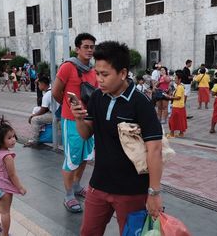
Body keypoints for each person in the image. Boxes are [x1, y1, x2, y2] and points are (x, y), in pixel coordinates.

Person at [70, 41, 164, 235]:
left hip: (132, 190)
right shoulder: (97, 97)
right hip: (99, 184)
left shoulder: (140, 103)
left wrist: (154, 193)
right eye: (97, 73)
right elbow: (86, 133)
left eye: (105, 74)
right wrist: (79, 118)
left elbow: (155, 150)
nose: (99, 79)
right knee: (87, 232)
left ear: (122, 73)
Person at [52, 33, 97, 213]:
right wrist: (68, 109)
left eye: (92, 47)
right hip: (71, 121)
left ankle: (77, 186)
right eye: (86, 47)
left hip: (89, 120)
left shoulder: (93, 71)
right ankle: (69, 195)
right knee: (71, 159)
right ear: (77, 49)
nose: (89, 50)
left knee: (85, 156)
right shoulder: (67, 67)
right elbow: (56, 92)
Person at [24, 76, 58, 147]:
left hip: (55, 114)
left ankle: (35, 140)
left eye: (39, 84)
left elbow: (42, 110)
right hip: (57, 112)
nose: (38, 86)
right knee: (36, 111)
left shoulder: (47, 94)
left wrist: (33, 116)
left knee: (35, 120)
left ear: (43, 84)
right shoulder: (52, 88)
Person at [167, 71, 187, 138]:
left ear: (179, 79)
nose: (174, 79)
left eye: (176, 78)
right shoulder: (179, 86)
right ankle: (181, 133)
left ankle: (172, 133)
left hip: (177, 106)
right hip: (180, 106)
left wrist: (170, 97)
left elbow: (178, 97)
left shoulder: (180, 87)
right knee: (180, 120)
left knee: (173, 120)